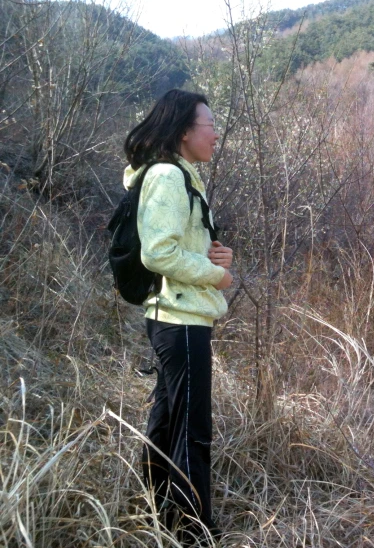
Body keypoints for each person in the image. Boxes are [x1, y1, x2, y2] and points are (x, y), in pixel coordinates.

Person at [122, 89, 233, 542]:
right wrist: (216, 277)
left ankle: (154, 512)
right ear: (186, 131)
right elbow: (159, 252)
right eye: (210, 126)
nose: (215, 134)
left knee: (168, 423)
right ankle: (193, 530)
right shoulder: (168, 176)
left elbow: (175, 245)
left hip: (174, 317)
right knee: (193, 431)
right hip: (181, 321)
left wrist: (215, 255)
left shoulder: (178, 176)